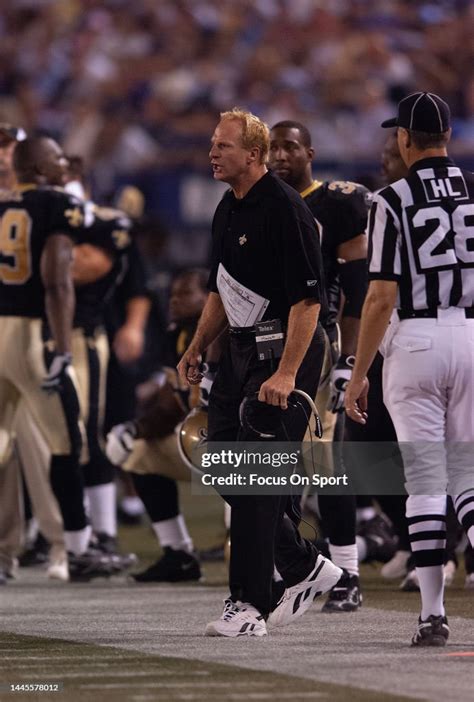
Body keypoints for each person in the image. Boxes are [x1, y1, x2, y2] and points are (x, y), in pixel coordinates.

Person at [177, 108, 342, 638]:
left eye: (223, 146)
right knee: (222, 461)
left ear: (254, 154)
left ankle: (249, 606)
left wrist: (288, 374)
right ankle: (302, 563)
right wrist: (198, 346)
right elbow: (220, 290)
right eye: (211, 144)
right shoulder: (228, 207)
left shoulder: (285, 209)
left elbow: (307, 303)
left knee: (255, 473)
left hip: (281, 354)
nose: (212, 152)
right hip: (240, 354)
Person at [345, 92, 474, 647]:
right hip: (471, 333)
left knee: (424, 483)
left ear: (405, 138)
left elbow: (378, 298)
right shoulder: (473, 189)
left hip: (416, 339)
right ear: (448, 135)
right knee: (469, 479)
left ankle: (432, 615)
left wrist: (358, 372)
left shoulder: (391, 198)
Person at [0, 137, 116, 581]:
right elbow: (57, 279)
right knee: (68, 441)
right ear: (42, 167)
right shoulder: (52, 204)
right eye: (55, 159)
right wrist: (62, 346)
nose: (63, 164)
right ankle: (78, 549)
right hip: (31, 334)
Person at [269, 120, 369, 612]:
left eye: (290, 146)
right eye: (273, 147)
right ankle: (295, 565)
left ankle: (347, 569)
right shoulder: (256, 201)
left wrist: (350, 359)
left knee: (325, 461)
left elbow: (356, 293)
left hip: (318, 339)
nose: (280, 155)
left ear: (310, 151)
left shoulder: (337, 201)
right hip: (266, 340)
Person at [106, 269, 215, 582]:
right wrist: (134, 429)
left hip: (244, 448)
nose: (174, 302)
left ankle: (284, 563)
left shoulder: (226, 335)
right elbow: (172, 403)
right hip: (201, 444)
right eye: (172, 296)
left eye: (184, 296)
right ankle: (179, 554)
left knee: (249, 550)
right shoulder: (177, 336)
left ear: (209, 298)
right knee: (138, 453)